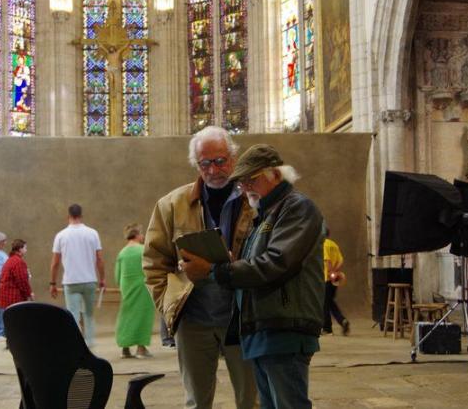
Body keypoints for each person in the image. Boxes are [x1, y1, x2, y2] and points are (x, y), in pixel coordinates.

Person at [181, 144, 325, 409]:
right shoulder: (266, 214)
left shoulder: (296, 208)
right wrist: (230, 263)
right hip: (263, 328)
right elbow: (259, 264)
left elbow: (275, 263)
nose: (246, 187)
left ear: (276, 175)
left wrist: (214, 270)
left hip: (284, 328)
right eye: (242, 182)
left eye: (252, 179)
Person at [143, 126, 257, 409]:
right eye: (204, 163)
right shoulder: (171, 204)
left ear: (233, 157)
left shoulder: (254, 201)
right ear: (196, 164)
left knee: (252, 400)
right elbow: (154, 262)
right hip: (194, 320)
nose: (213, 170)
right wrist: (170, 306)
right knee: (197, 402)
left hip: (243, 317)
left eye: (220, 161)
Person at [50, 204, 105, 348]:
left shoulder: (61, 235)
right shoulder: (93, 233)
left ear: (68, 216)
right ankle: (90, 343)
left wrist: (52, 283)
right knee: (88, 314)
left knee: (73, 314)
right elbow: (99, 258)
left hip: (71, 281)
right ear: (81, 216)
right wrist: (102, 278)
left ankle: (74, 345)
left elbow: (55, 262)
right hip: (90, 280)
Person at [115, 223, 155, 359]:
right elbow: (151, 268)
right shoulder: (142, 250)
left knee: (126, 315)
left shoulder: (122, 252)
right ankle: (141, 348)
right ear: (137, 235)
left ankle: (125, 348)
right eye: (141, 233)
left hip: (126, 287)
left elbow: (117, 274)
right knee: (143, 315)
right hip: (142, 286)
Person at [322, 231, 350, 336]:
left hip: (327, 278)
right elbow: (341, 260)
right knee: (329, 302)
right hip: (335, 278)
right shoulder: (333, 244)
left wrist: (330, 272)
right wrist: (336, 271)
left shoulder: (323, 244)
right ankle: (343, 321)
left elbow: (327, 260)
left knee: (325, 304)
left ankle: (327, 329)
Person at [0, 239, 34, 311]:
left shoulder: (10, 259)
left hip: (4, 298)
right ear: (20, 249)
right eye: (25, 248)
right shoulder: (18, 262)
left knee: (3, 320)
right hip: (13, 299)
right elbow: (22, 282)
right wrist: (29, 293)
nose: (26, 250)